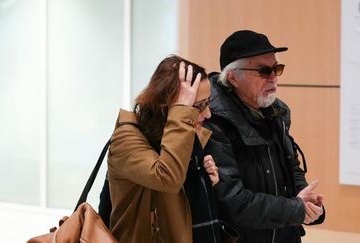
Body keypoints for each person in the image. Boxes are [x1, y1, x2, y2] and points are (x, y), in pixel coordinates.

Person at [203, 30, 326, 243]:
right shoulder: (213, 120)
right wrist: (295, 209)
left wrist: (307, 204)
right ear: (233, 77)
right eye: (264, 70)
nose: (273, 77)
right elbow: (233, 201)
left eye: (277, 69)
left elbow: (292, 168)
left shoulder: (276, 112)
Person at [106, 55, 222, 243]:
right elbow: (167, 178)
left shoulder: (187, 137)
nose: (207, 113)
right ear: (167, 105)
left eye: (208, 103)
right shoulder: (125, 139)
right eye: (199, 106)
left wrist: (204, 183)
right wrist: (183, 111)